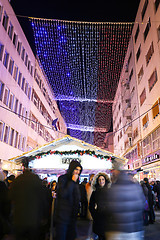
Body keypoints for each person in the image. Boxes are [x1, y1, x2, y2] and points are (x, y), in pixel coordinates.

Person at [9, 169, 50, 240]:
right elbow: (43, 200)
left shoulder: (18, 180)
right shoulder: (37, 181)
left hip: (19, 218)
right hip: (34, 218)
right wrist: (45, 216)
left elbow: (10, 197)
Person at [105, 170, 145, 240]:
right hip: (134, 229)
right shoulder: (136, 187)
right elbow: (142, 205)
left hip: (115, 230)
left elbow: (108, 208)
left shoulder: (112, 189)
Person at [54, 160, 83, 240]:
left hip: (73, 216)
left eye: (79, 170)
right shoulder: (63, 179)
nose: (77, 172)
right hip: (63, 216)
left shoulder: (76, 181)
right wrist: (72, 182)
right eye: (76, 169)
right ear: (72, 169)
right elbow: (63, 194)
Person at [89, 172, 110, 240]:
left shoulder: (110, 191)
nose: (101, 181)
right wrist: (95, 215)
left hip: (109, 218)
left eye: (103, 179)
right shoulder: (95, 192)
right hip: (99, 217)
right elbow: (91, 205)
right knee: (100, 236)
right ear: (97, 181)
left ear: (105, 180)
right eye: (99, 180)